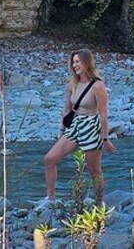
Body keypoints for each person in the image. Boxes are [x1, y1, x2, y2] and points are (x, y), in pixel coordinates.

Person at [42, 49, 116, 205]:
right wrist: (62, 131)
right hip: (75, 125)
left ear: (86, 63)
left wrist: (105, 138)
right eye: (73, 62)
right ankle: (50, 198)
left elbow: (103, 114)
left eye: (78, 62)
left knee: (94, 170)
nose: (75, 65)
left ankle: (99, 202)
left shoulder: (97, 85)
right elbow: (67, 110)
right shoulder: (72, 84)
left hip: (92, 126)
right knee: (49, 159)